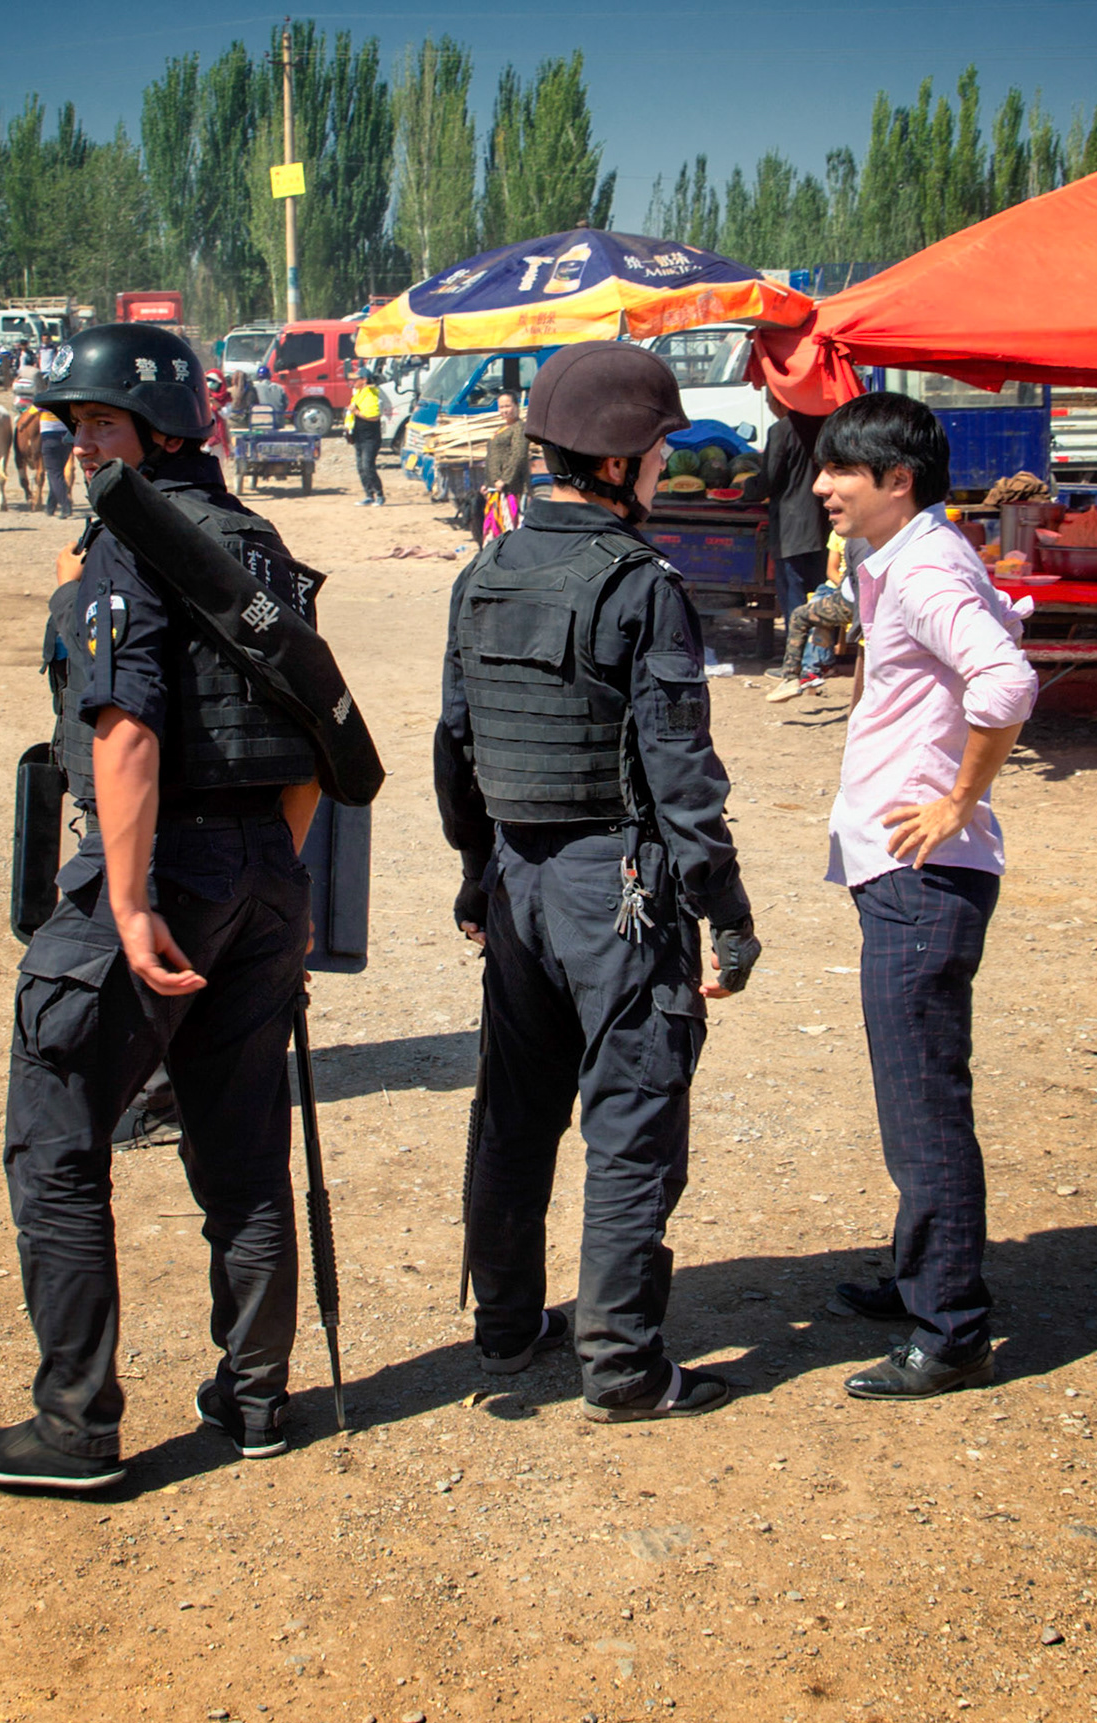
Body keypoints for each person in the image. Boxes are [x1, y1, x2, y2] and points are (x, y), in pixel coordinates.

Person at [0, 322, 334, 1493]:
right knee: (240, 1142)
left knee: (57, 1140)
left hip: (161, 876)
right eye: (72, 428)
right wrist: (273, 875)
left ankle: (75, 1427)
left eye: (101, 425)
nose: (79, 448)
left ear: (161, 429)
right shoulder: (259, 544)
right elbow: (317, 732)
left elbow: (124, 731)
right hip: (267, 873)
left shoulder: (130, 541)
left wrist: (127, 906)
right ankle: (256, 1398)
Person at [436, 341, 761, 1422]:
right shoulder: (642, 585)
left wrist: (480, 875)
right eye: (661, 447)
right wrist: (730, 916)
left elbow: (455, 744)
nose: (667, 464)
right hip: (612, 888)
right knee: (630, 1121)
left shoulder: (482, 572)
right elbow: (681, 774)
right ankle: (621, 1365)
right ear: (620, 461)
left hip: (519, 883)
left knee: (515, 1113)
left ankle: (506, 1325)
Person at [811, 392, 1037, 1402]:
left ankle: (950, 1330)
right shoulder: (907, 560)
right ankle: (923, 1276)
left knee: (924, 1105)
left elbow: (1005, 682)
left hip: (925, 871)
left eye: (840, 472)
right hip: (900, 866)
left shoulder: (931, 565)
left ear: (896, 481)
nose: (821, 487)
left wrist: (958, 800)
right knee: (912, 1093)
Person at [767, 528, 867, 702]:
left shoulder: (857, 537)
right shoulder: (853, 534)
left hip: (852, 598)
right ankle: (819, 665)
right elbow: (832, 572)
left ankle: (797, 675)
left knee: (802, 615)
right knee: (820, 604)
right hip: (841, 590)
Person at [762, 398, 833, 639]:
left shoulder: (781, 429)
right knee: (819, 591)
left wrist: (746, 488)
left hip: (791, 528)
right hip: (822, 523)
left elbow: (769, 479)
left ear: (778, 402)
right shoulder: (825, 425)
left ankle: (796, 660)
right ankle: (819, 657)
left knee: (793, 593)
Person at [481, 390, 532, 542]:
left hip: (510, 488)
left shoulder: (519, 428)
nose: (504, 410)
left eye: (507, 406)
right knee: (494, 527)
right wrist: (487, 483)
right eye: (501, 407)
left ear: (516, 406)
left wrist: (505, 479)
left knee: (509, 526)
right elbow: (492, 458)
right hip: (495, 487)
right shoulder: (501, 429)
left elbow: (518, 455)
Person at [347, 370, 385, 505]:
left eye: (356, 379)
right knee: (361, 467)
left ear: (364, 380)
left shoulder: (370, 395)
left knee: (368, 466)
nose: (353, 382)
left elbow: (374, 416)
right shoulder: (358, 394)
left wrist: (356, 412)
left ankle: (379, 494)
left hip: (370, 438)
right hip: (359, 436)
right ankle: (369, 495)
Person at [38, 405, 75, 518]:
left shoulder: (43, 404)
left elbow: (29, 414)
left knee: (54, 473)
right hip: (65, 438)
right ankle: (50, 507)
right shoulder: (65, 403)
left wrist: (22, 425)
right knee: (57, 473)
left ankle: (66, 506)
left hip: (49, 438)